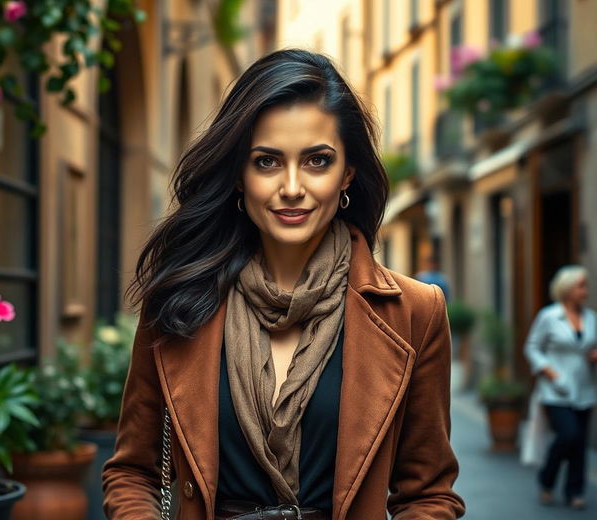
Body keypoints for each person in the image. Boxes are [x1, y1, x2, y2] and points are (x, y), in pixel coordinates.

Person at [102, 49, 465, 520]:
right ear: (238, 175)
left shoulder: (415, 311)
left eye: (317, 161)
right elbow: (133, 472)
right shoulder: (179, 302)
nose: (292, 186)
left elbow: (429, 494)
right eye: (267, 162)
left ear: (347, 173)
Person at [524, 265, 597, 510]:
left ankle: (575, 492)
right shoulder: (549, 316)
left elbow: (588, 349)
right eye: (581, 286)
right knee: (568, 435)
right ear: (567, 289)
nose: (585, 291)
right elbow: (532, 347)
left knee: (579, 444)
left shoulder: (591, 318)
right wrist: (549, 370)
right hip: (555, 390)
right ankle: (547, 476)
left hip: (584, 388)